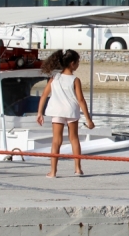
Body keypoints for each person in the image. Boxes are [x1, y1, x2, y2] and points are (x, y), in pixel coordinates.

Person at [36, 49, 95, 178]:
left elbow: (44, 95)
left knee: (56, 141)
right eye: (78, 62)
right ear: (72, 63)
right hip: (71, 111)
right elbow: (80, 100)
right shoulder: (75, 79)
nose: (78, 64)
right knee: (74, 139)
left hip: (57, 111)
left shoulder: (54, 78)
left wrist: (39, 112)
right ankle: (78, 169)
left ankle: (53, 171)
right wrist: (88, 119)